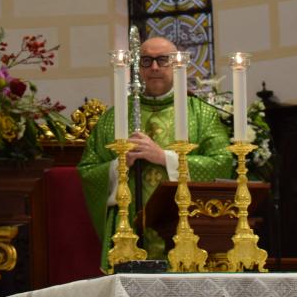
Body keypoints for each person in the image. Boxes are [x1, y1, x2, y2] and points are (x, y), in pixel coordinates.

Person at [77, 37, 233, 270]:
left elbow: (222, 163)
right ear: (137, 68)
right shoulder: (113, 118)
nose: (155, 67)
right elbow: (88, 171)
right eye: (146, 61)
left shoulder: (201, 113)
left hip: (186, 228)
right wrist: (118, 165)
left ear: (178, 66)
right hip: (130, 226)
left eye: (163, 60)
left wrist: (165, 158)